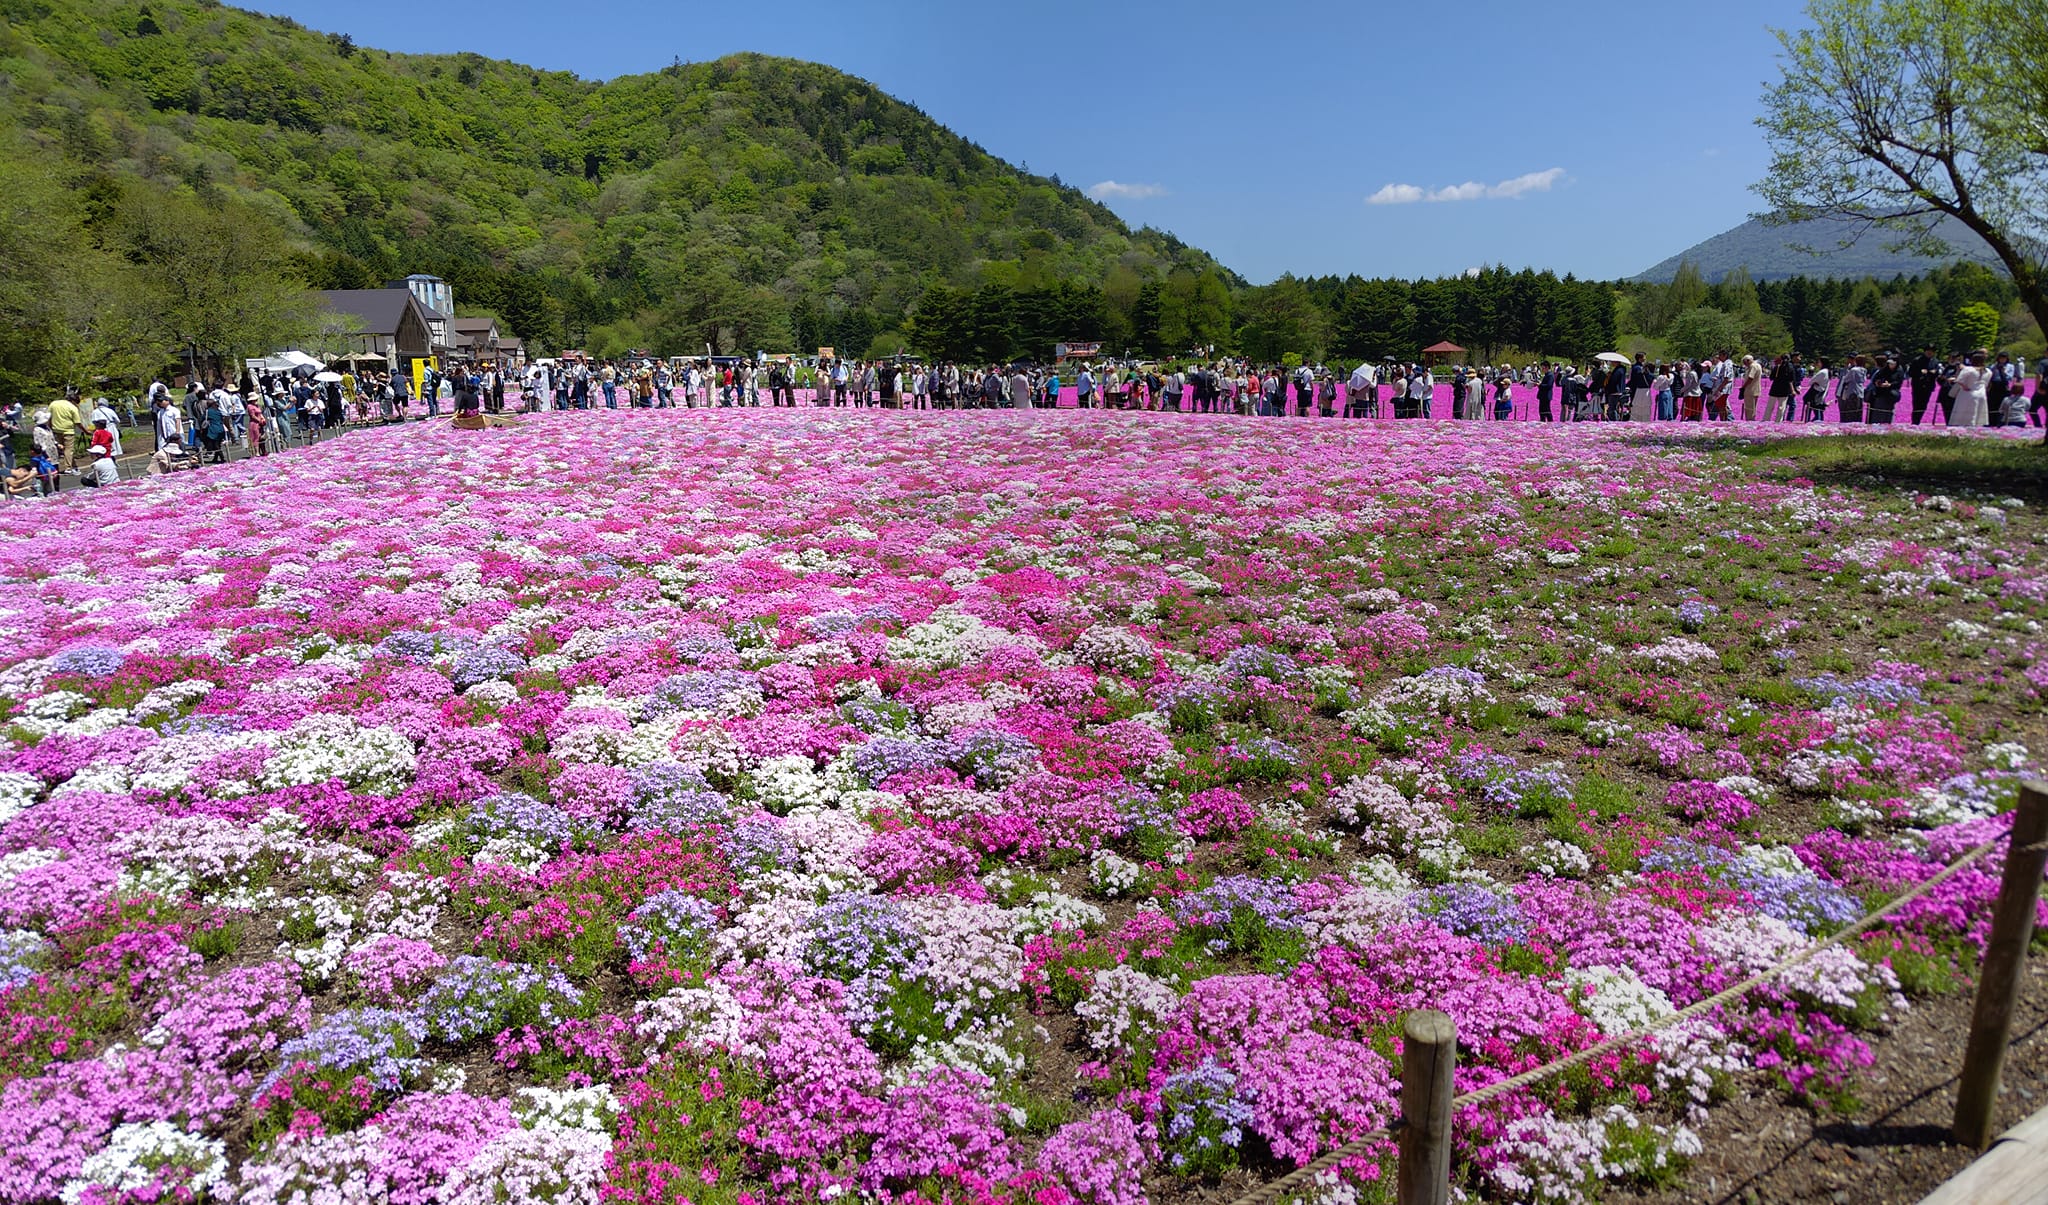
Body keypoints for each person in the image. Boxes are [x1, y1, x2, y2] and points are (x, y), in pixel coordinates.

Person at [49, 390, 82, 472]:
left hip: (56, 429)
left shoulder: (54, 404)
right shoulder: (72, 407)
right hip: (68, 431)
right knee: (68, 450)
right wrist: (86, 431)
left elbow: (49, 417)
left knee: (62, 449)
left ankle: (74, 466)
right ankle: (68, 468)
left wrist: (50, 428)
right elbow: (78, 422)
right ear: (73, 400)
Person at [200, 392, 228, 463]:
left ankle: (222, 458)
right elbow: (222, 418)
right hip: (221, 428)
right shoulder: (218, 411)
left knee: (215, 445)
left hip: (213, 429)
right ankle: (215, 458)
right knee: (218, 444)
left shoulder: (208, 411)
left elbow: (202, 419)